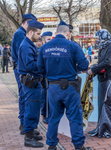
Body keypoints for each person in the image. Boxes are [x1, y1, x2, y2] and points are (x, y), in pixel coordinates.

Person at [37, 20, 91, 150]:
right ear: (68, 33)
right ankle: (78, 146)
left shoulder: (45, 47)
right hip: (70, 88)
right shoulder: (72, 46)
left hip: (53, 88)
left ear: (56, 33)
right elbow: (84, 66)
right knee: (74, 117)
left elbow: (40, 68)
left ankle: (51, 145)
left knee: (53, 118)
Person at [18, 20, 44, 148]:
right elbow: (30, 65)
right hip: (31, 83)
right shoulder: (26, 46)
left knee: (33, 109)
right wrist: (44, 65)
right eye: (38, 34)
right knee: (31, 109)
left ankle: (31, 131)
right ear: (31, 32)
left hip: (33, 82)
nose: (39, 36)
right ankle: (28, 138)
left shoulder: (29, 44)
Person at [11, 13, 37, 135]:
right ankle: (24, 125)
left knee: (25, 96)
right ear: (27, 23)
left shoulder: (20, 33)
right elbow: (24, 55)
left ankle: (26, 125)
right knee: (25, 97)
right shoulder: (21, 34)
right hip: (23, 70)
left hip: (21, 69)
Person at [87, 29, 111, 138]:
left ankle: (106, 128)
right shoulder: (103, 47)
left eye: (98, 38)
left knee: (105, 105)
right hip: (102, 79)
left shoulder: (109, 47)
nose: (96, 40)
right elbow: (102, 63)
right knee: (101, 104)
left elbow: (107, 62)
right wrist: (94, 71)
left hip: (107, 80)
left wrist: (94, 69)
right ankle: (100, 127)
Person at [40, 31, 53, 124]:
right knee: (45, 97)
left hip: (52, 77)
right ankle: (44, 115)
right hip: (45, 77)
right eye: (48, 39)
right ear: (43, 40)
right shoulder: (42, 50)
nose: (50, 41)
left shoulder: (53, 49)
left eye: (51, 39)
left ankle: (50, 114)